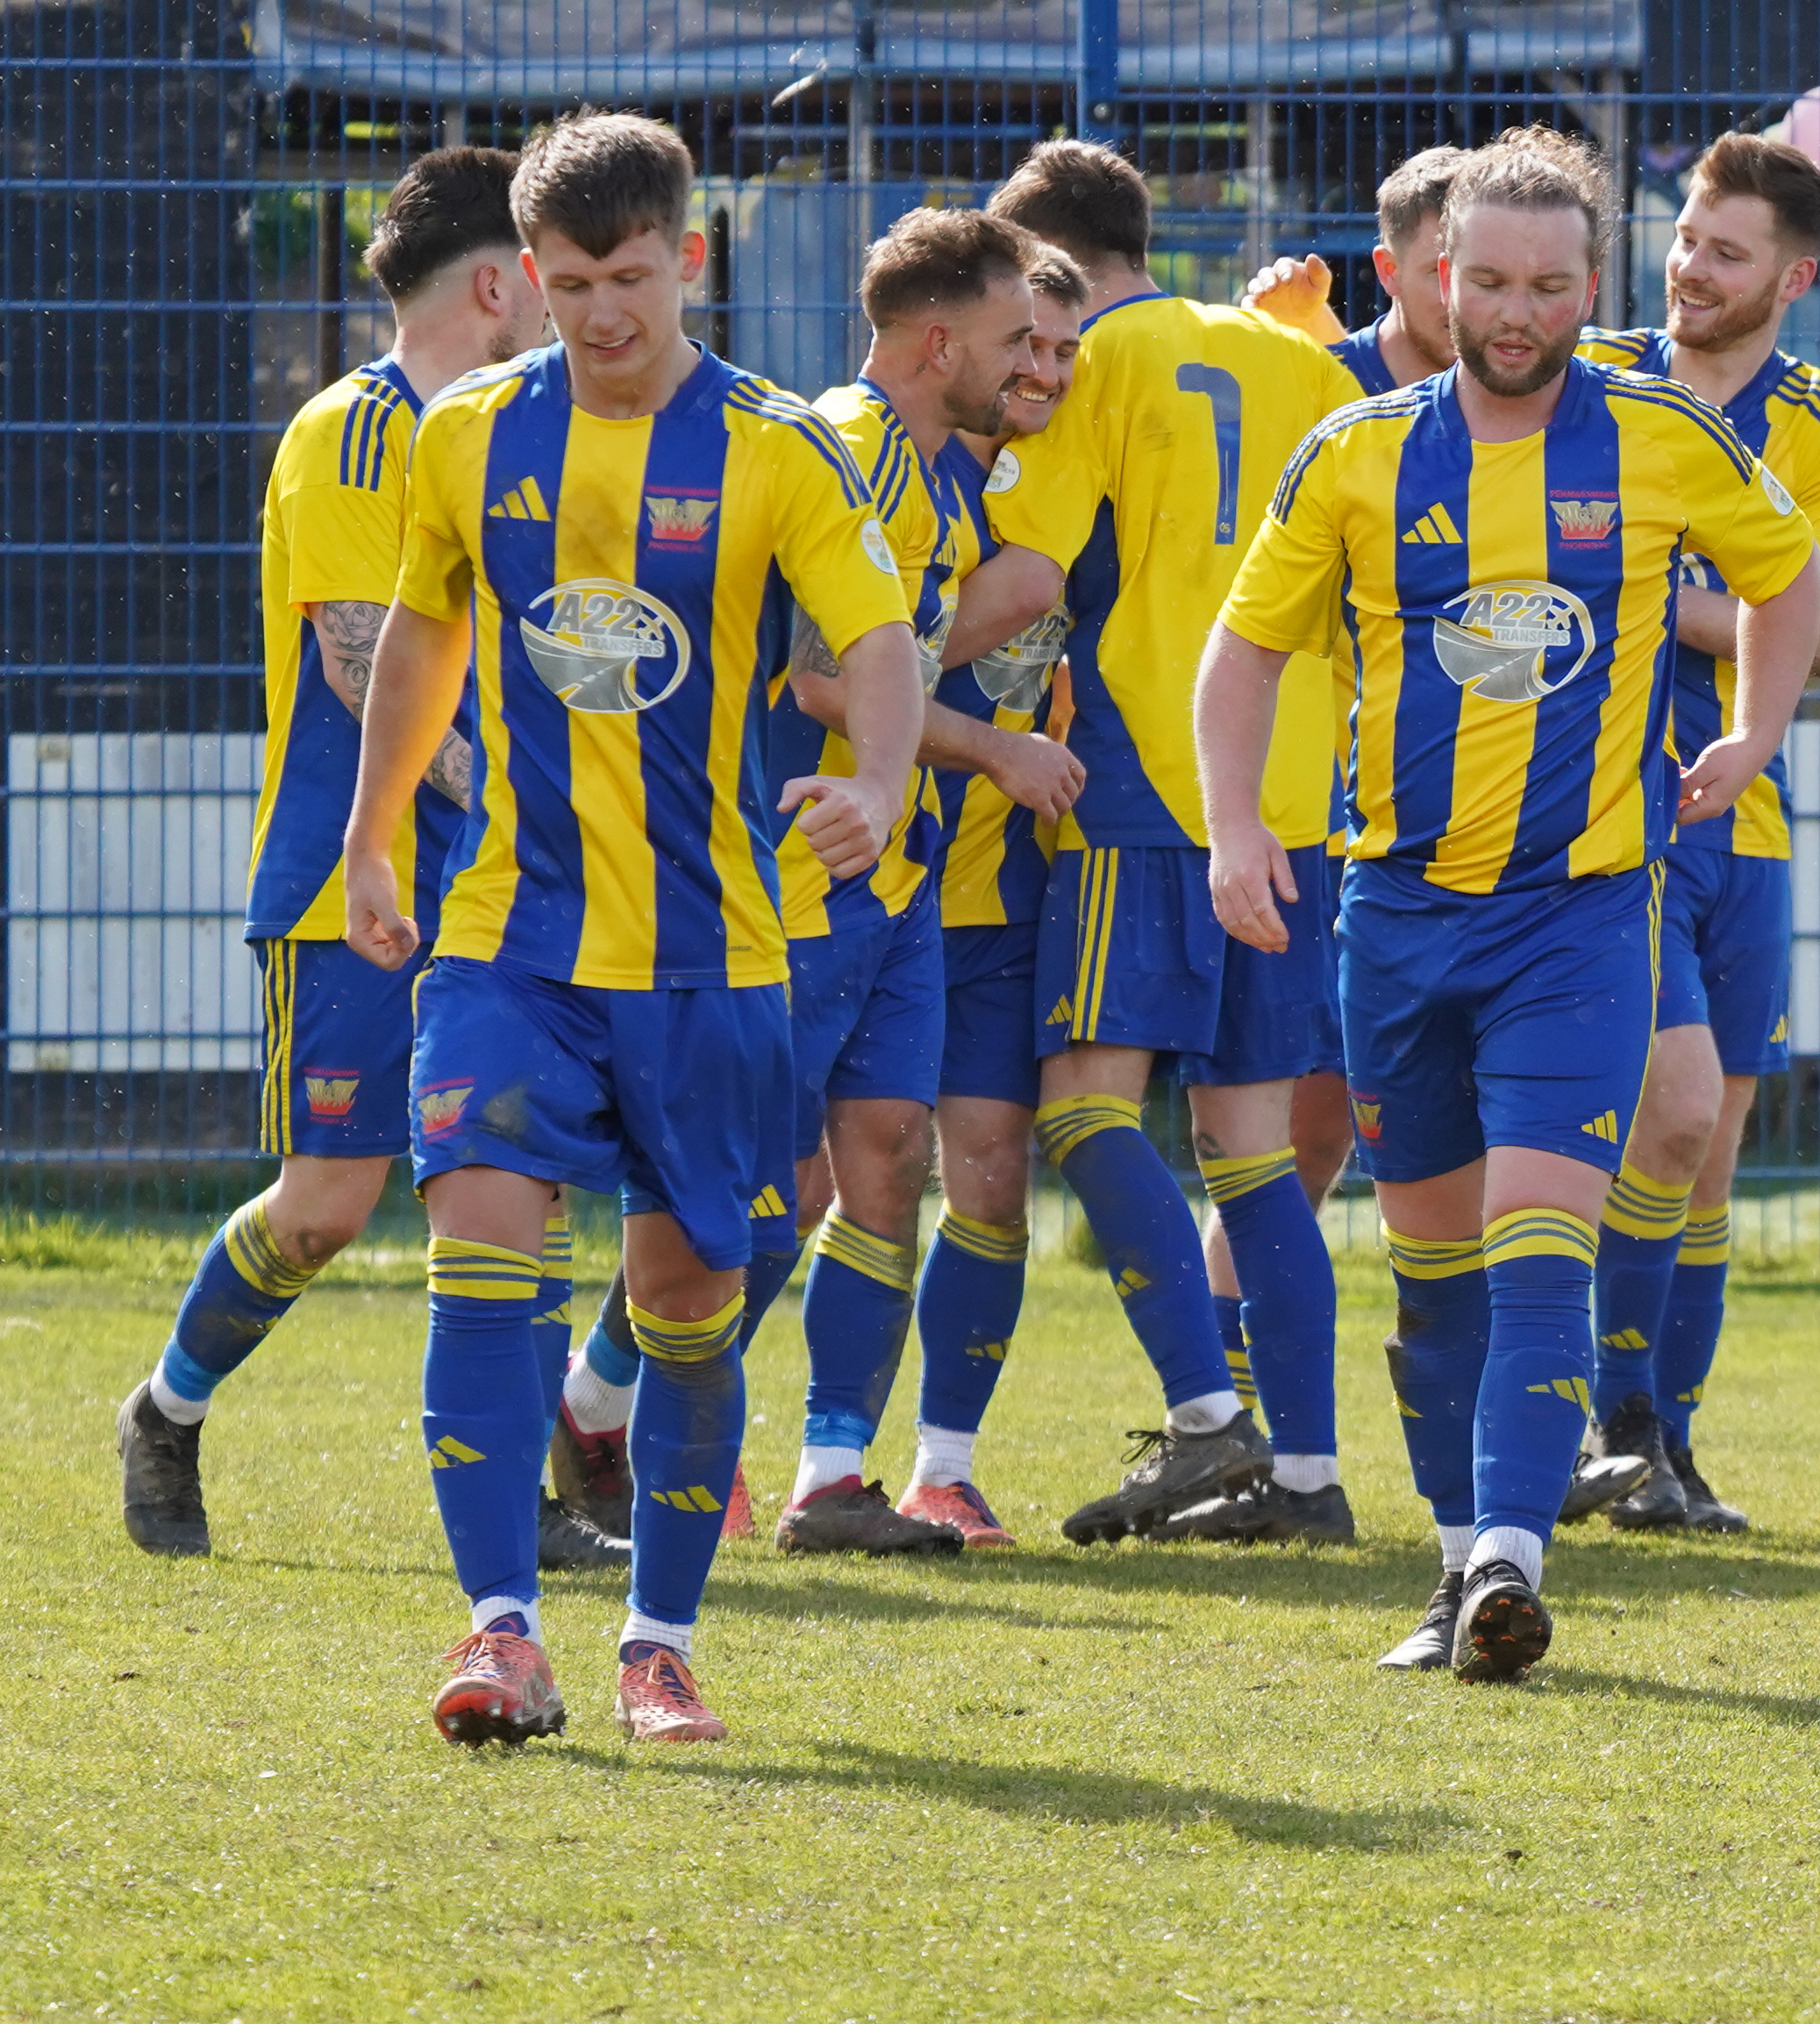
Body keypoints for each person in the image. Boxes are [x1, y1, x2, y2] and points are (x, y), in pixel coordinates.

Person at [1196, 125, 1820, 1680]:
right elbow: (1243, 652)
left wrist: (1752, 730)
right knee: (1432, 1272)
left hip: (1584, 917)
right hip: (1397, 917)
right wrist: (1228, 829)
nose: (1519, 310)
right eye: (1487, 279)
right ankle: (1454, 1557)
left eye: (1549, 283)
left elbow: (1785, 574)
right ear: (1436, 276)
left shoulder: (1662, 435)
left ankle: (1509, 1560)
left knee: (1542, 1239)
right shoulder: (1358, 452)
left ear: (1589, 281)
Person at [347, 110, 929, 1746]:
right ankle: (500, 1632)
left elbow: (880, 641)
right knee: (480, 1247)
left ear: (691, 257)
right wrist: (373, 838)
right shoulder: (462, 435)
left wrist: (876, 786)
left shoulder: (774, 448)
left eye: (634, 276)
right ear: (526, 278)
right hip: (509, 942)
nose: (606, 312)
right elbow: (422, 632)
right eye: (573, 281)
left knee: (685, 1298)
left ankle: (656, 1644)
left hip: (713, 960)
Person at [913, 139, 1368, 1548]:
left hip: (1150, 779)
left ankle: (1207, 1424)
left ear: (1048, 255)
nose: (1021, 343)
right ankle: (1306, 1480)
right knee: (1250, 1149)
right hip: (1294, 801)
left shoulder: (1102, 361)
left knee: (1089, 1109)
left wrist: (875, 663)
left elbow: (1037, 571)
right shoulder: (1305, 361)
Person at [118, 148, 550, 1562]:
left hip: (500, 881)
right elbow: (373, 668)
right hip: (346, 881)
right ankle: (167, 1414)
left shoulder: (532, 434)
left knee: (513, 1179)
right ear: (497, 282)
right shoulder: (359, 433)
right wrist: (555, 790)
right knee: (323, 1209)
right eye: (553, 277)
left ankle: (537, 1487)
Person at [1559, 132, 1820, 1535]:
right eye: (1686, 239)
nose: (1689, 269)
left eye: (1726, 253)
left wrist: (1711, 599)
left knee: (1715, 1145)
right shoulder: (1599, 381)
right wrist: (1760, 599)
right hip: (1609, 809)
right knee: (1670, 1110)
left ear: (1793, 277)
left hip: (1745, 818)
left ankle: (1666, 1456)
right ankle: (1608, 1422)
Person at [754, 209, 1073, 1556]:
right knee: (760, 1180)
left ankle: (832, 1474)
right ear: (939, 341)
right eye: (1013, 340)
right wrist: (994, 744)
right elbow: (819, 680)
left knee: (887, 1157)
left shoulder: (944, 472)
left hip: (897, 879)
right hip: (804, 865)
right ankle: (603, 1417)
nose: (1031, 367)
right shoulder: (858, 448)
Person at [1247, 144, 1473, 390]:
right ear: (1389, 270)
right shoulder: (1320, 390)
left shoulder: (1517, 389)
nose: (1463, 298)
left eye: (1486, 277)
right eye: (1439, 272)